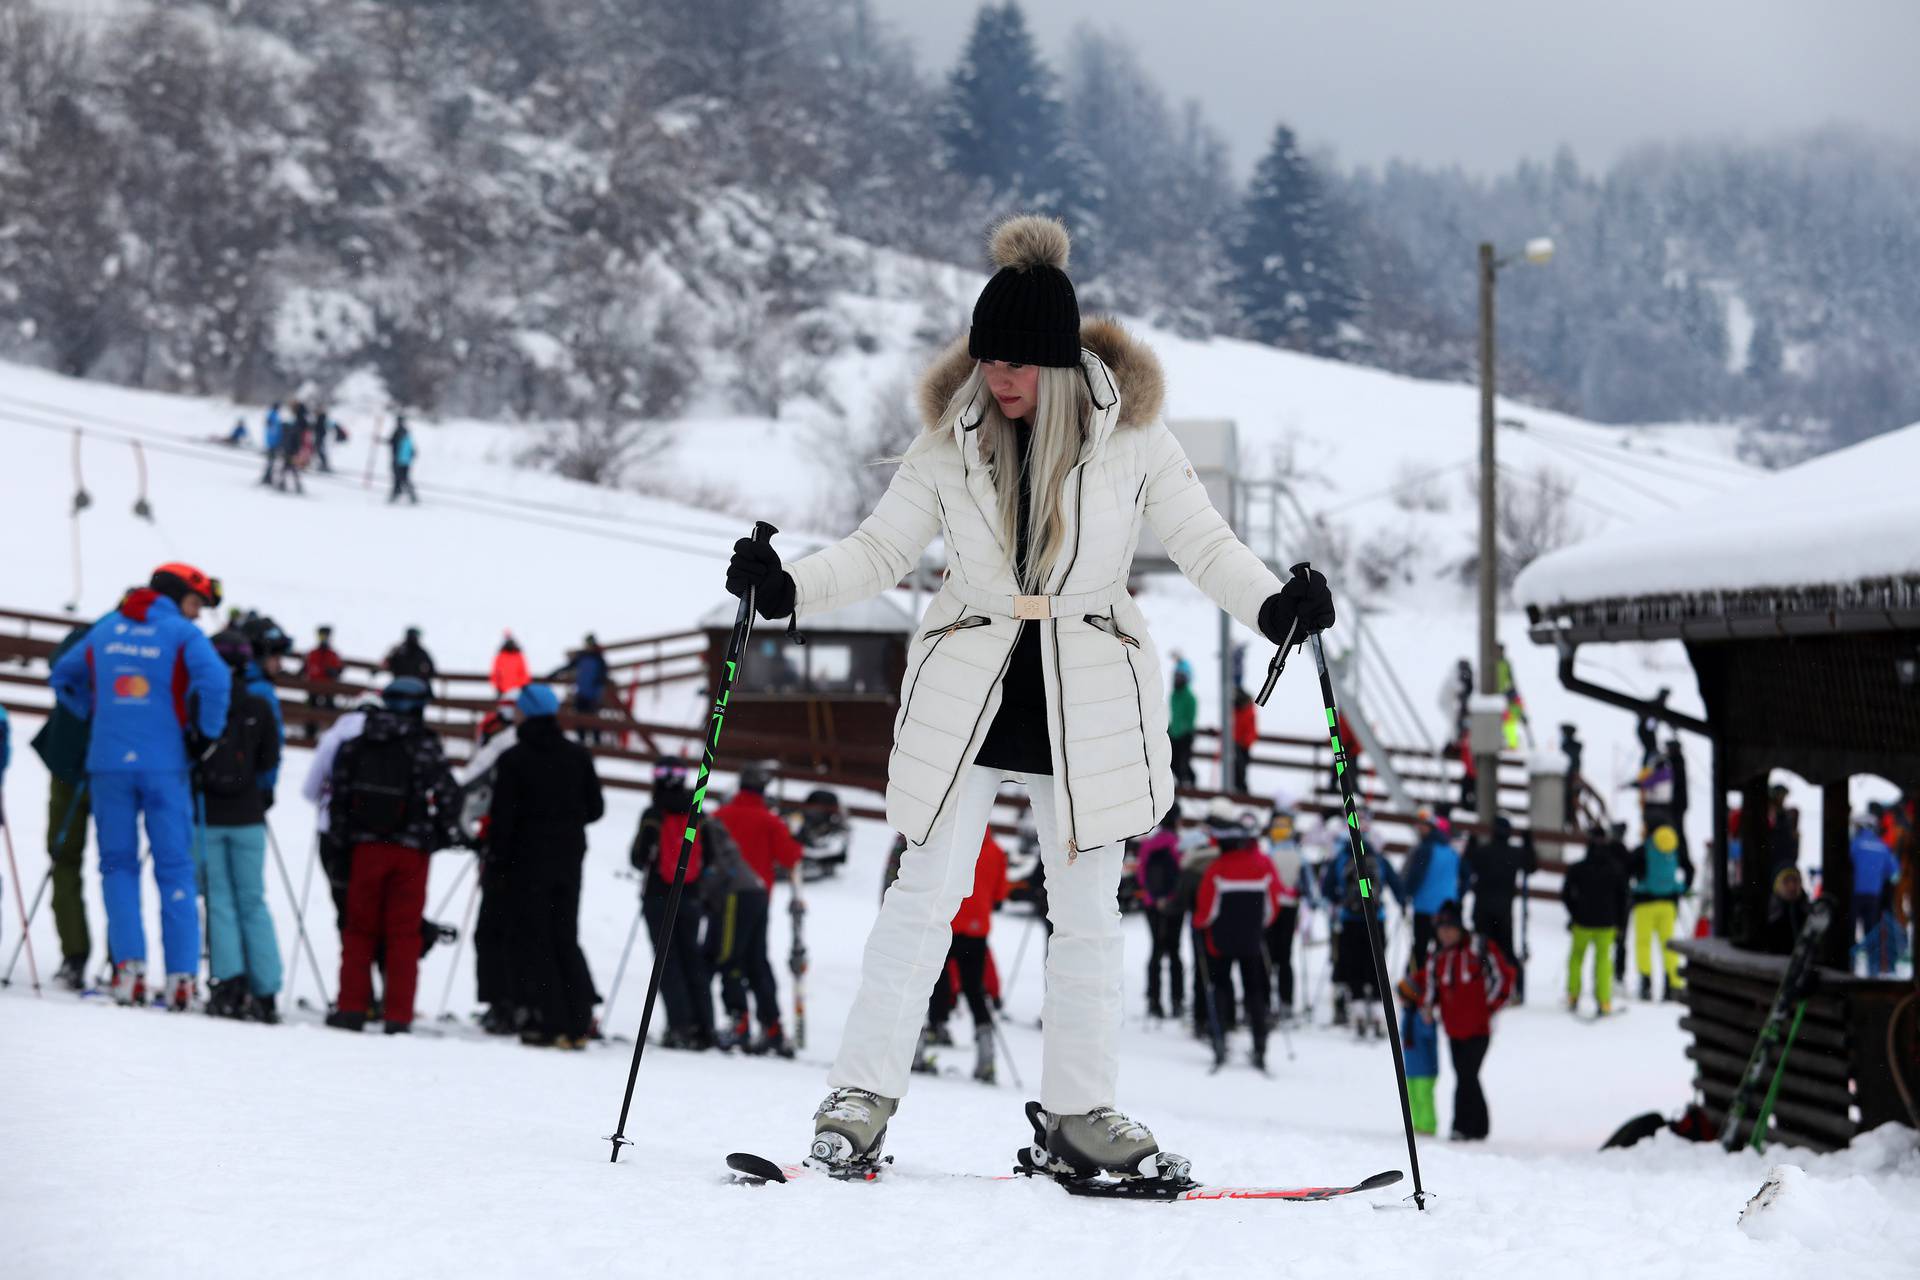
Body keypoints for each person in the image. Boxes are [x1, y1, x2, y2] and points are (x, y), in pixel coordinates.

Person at [723, 214, 1338, 1176]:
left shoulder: (1136, 440)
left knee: (1088, 910)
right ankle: (861, 1095)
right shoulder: (950, 439)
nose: (998, 377)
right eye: (987, 358)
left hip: (1087, 684)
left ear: (1055, 362)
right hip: (970, 675)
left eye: (1015, 362)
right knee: (922, 893)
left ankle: (1081, 1113)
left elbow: (1204, 544)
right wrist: (788, 585)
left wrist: (1275, 607)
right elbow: (881, 549)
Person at [49, 564, 229, 1008]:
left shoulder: (107, 627)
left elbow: (62, 675)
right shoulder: (181, 634)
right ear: (175, 594)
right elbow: (217, 681)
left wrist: (96, 710)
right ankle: (182, 976)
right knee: (175, 868)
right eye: (195, 603)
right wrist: (204, 736)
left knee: (117, 865)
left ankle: (128, 971)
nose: (197, 615)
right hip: (165, 764)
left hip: (109, 762)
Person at [325, 676, 459, 1033]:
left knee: (358, 931)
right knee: (403, 934)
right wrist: (440, 835)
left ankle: (352, 1007)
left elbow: (337, 795)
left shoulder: (357, 743)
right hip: (410, 852)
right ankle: (397, 1015)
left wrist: (342, 840)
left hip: (365, 848)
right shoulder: (424, 745)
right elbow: (449, 795)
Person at [488, 686, 604, 1048]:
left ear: (525, 713)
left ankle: (550, 1021)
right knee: (565, 935)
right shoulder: (577, 755)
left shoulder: (514, 759)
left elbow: (502, 819)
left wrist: (497, 860)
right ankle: (578, 1020)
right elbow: (596, 808)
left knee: (535, 937)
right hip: (569, 858)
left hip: (528, 860)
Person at [193, 630, 284, 1022]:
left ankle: (228, 982)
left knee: (219, 900)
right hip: (249, 816)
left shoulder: (200, 701)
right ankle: (265, 989)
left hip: (209, 815)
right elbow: (269, 760)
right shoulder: (260, 704)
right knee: (253, 900)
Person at [1401, 900, 1516, 1141]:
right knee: (1466, 1075)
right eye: (1441, 929)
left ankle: (1463, 1126)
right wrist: (1416, 997)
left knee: (1467, 1074)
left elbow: (1504, 977)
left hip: (1479, 1027)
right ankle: (1477, 1126)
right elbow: (1430, 986)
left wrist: (1490, 1006)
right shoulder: (1437, 956)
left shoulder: (1478, 948)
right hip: (1453, 1028)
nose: (1445, 933)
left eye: (1450, 928)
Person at [711, 760, 804, 1056]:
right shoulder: (770, 821)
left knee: (730, 957)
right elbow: (791, 857)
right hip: (760, 896)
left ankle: (739, 1019)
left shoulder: (721, 816)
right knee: (757, 960)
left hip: (730, 895)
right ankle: (772, 1024)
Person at [630, 758, 715, 1050]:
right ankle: (704, 1027)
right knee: (692, 958)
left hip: (658, 895)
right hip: (690, 896)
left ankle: (679, 1026)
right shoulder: (697, 812)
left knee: (667, 962)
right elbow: (710, 857)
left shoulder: (654, 813)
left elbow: (638, 856)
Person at [30, 619, 98, 989]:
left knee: (65, 858)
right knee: (115, 865)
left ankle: (76, 956)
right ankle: (109, 959)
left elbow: (58, 667)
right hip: (103, 767)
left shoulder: (86, 639)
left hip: (73, 763)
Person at [1195, 800, 1283, 1069]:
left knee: (1220, 986)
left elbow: (1206, 911)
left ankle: (1220, 1036)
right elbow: (1273, 906)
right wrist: (1258, 926)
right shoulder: (1264, 864)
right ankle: (1259, 1043)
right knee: (1254, 991)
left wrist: (1200, 924)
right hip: (1251, 940)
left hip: (1220, 941)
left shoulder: (1217, 869)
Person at [918, 828, 1009, 1083]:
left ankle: (922, 1044)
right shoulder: (997, 852)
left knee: (933, 982)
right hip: (977, 931)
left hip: (946, 925)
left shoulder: (953, 843)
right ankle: (986, 1058)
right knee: (974, 990)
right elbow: (1000, 896)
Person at [456, 704, 519, 1033]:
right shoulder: (525, 747)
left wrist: (470, 832)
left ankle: (500, 1004)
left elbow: (469, 790)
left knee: (492, 929)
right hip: (531, 855)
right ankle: (517, 1003)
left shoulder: (498, 750)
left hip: (499, 851)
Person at [1321, 809, 1405, 1031]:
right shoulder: (1379, 859)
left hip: (1349, 920)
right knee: (1376, 964)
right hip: (1376, 919)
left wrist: (1339, 900)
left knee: (1353, 964)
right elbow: (1397, 887)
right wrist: (1403, 902)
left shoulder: (1341, 859)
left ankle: (1357, 1009)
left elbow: (1327, 890)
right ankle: (1379, 1011)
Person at [1461, 814, 1538, 1001]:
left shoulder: (1484, 851)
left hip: (1482, 909)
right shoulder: (1513, 853)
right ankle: (1514, 988)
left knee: (1481, 949)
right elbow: (1531, 866)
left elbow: (1467, 863)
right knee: (1505, 950)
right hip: (1504, 910)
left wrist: (1471, 844)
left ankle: (1480, 985)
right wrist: (1529, 845)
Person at [1562, 832, 1629, 1015]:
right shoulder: (1616, 869)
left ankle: (1572, 995)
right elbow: (1623, 899)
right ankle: (1604, 1000)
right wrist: (1621, 923)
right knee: (1603, 961)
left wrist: (1574, 913)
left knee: (1576, 958)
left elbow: (1566, 894)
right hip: (1607, 924)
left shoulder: (1578, 868)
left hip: (1582, 922)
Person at [1630, 823, 1693, 1001]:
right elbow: (1690, 868)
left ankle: (1646, 983)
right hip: (1668, 904)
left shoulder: (1644, 848)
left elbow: (1630, 868)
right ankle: (1672, 984)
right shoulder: (1674, 846)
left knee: (1643, 944)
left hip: (1645, 903)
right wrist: (1681, 888)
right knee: (1668, 946)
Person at [1133, 804, 1185, 1020]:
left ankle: (1154, 1000)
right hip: (1173, 904)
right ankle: (1176, 1000)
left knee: (1155, 949)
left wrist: (1153, 897)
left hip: (1151, 903)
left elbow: (1141, 874)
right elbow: (1182, 874)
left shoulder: (1149, 844)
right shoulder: (1179, 844)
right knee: (1174, 951)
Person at [1403, 807, 1460, 968]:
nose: (1420, 828)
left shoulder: (1424, 849)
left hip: (1425, 907)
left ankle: (1414, 986)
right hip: (1446, 908)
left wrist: (1406, 893)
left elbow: (1416, 875)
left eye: (1423, 825)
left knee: (1420, 948)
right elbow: (1465, 875)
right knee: (1444, 949)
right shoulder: (1450, 850)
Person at [1263, 801, 1304, 1020]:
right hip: (1289, 909)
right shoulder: (1298, 855)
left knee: (1268, 957)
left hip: (1270, 909)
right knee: (1285, 958)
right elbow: (1307, 887)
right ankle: (1286, 1002)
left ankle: (1266, 1002)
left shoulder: (1269, 855)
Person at [1849, 812, 1900, 975]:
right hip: (1874, 896)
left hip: (1855, 895)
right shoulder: (1882, 846)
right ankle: (1872, 971)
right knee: (1871, 932)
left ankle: (1849, 968)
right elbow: (1894, 874)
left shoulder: (1855, 844)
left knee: (1849, 933)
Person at [1396, 989, 1441, 1137]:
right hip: (1411, 1066)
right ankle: (1417, 1124)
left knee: (1424, 1097)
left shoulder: (1422, 1015)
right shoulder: (1407, 1016)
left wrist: (1428, 1020)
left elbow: (1429, 1034)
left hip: (1425, 1067)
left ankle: (1428, 1126)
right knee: (1412, 1097)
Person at [302, 625, 345, 744]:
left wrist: (334, 672)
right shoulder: (312, 654)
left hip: (328, 689)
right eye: (321, 635)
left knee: (330, 709)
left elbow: (340, 670)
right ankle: (309, 735)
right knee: (311, 708)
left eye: (326, 636)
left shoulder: (333, 655)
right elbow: (304, 669)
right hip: (313, 688)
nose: (324, 638)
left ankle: (333, 736)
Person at [567, 635, 609, 744]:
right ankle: (582, 741)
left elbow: (604, 675)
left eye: (590, 643)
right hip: (582, 693)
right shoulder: (582, 656)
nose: (588, 646)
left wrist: (601, 680)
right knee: (579, 719)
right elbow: (570, 666)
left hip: (594, 695)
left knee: (594, 719)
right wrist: (555, 673)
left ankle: (597, 743)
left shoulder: (599, 658)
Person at [1762, 866, 1810, 956]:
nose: (1792, 886)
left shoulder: (1807, 911)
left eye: (1795, 881)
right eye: (1786, 882)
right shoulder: (1768, 912)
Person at [1168, 658, 1198, 788]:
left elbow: (1190, 718)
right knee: (1172, 762)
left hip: (1185, 735)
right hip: (1174, 733)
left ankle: (1191, 783)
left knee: (1184, 762)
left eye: (1180, 677)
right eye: (1176, 677)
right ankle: (1181, 785)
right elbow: (1174, 715)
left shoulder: (1190, 697)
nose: (1177, 679)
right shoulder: (1174, 694)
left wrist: (1183, 731)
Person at [276, 403, 309, 495]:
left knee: (289, 468)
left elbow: (291, 441)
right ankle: (291, 485)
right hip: (290, 451)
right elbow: (292, 441)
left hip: (289, 451)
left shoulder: (292, 427)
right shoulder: (292, 427)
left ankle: (286, 485)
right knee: (289, 468)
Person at [1229, 688, 1257, 795]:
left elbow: (1252, 732)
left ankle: (1242, 793)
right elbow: (1229, 726)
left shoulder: (1248, 711)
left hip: (1242, 747)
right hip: (1232, 746)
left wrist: (1243, 742)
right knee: (1233, 772)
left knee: (1240, 771)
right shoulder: (1234, 709)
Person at [389, 416, 419, 504]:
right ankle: (399, 494)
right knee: (402, 477)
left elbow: (392, 442)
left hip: (399, 459)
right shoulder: (406, 431)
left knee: (400, 478)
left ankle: (399, 494)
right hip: (406, 459)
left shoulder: (398, 431)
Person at [258, 403, 283, 486]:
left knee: (271, 461)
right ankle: (267, 478)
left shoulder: (273, 415)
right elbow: (274, 430)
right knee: (271, 461)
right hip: (273, 443)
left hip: (271, 442)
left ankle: (268, 477)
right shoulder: (274, 416)